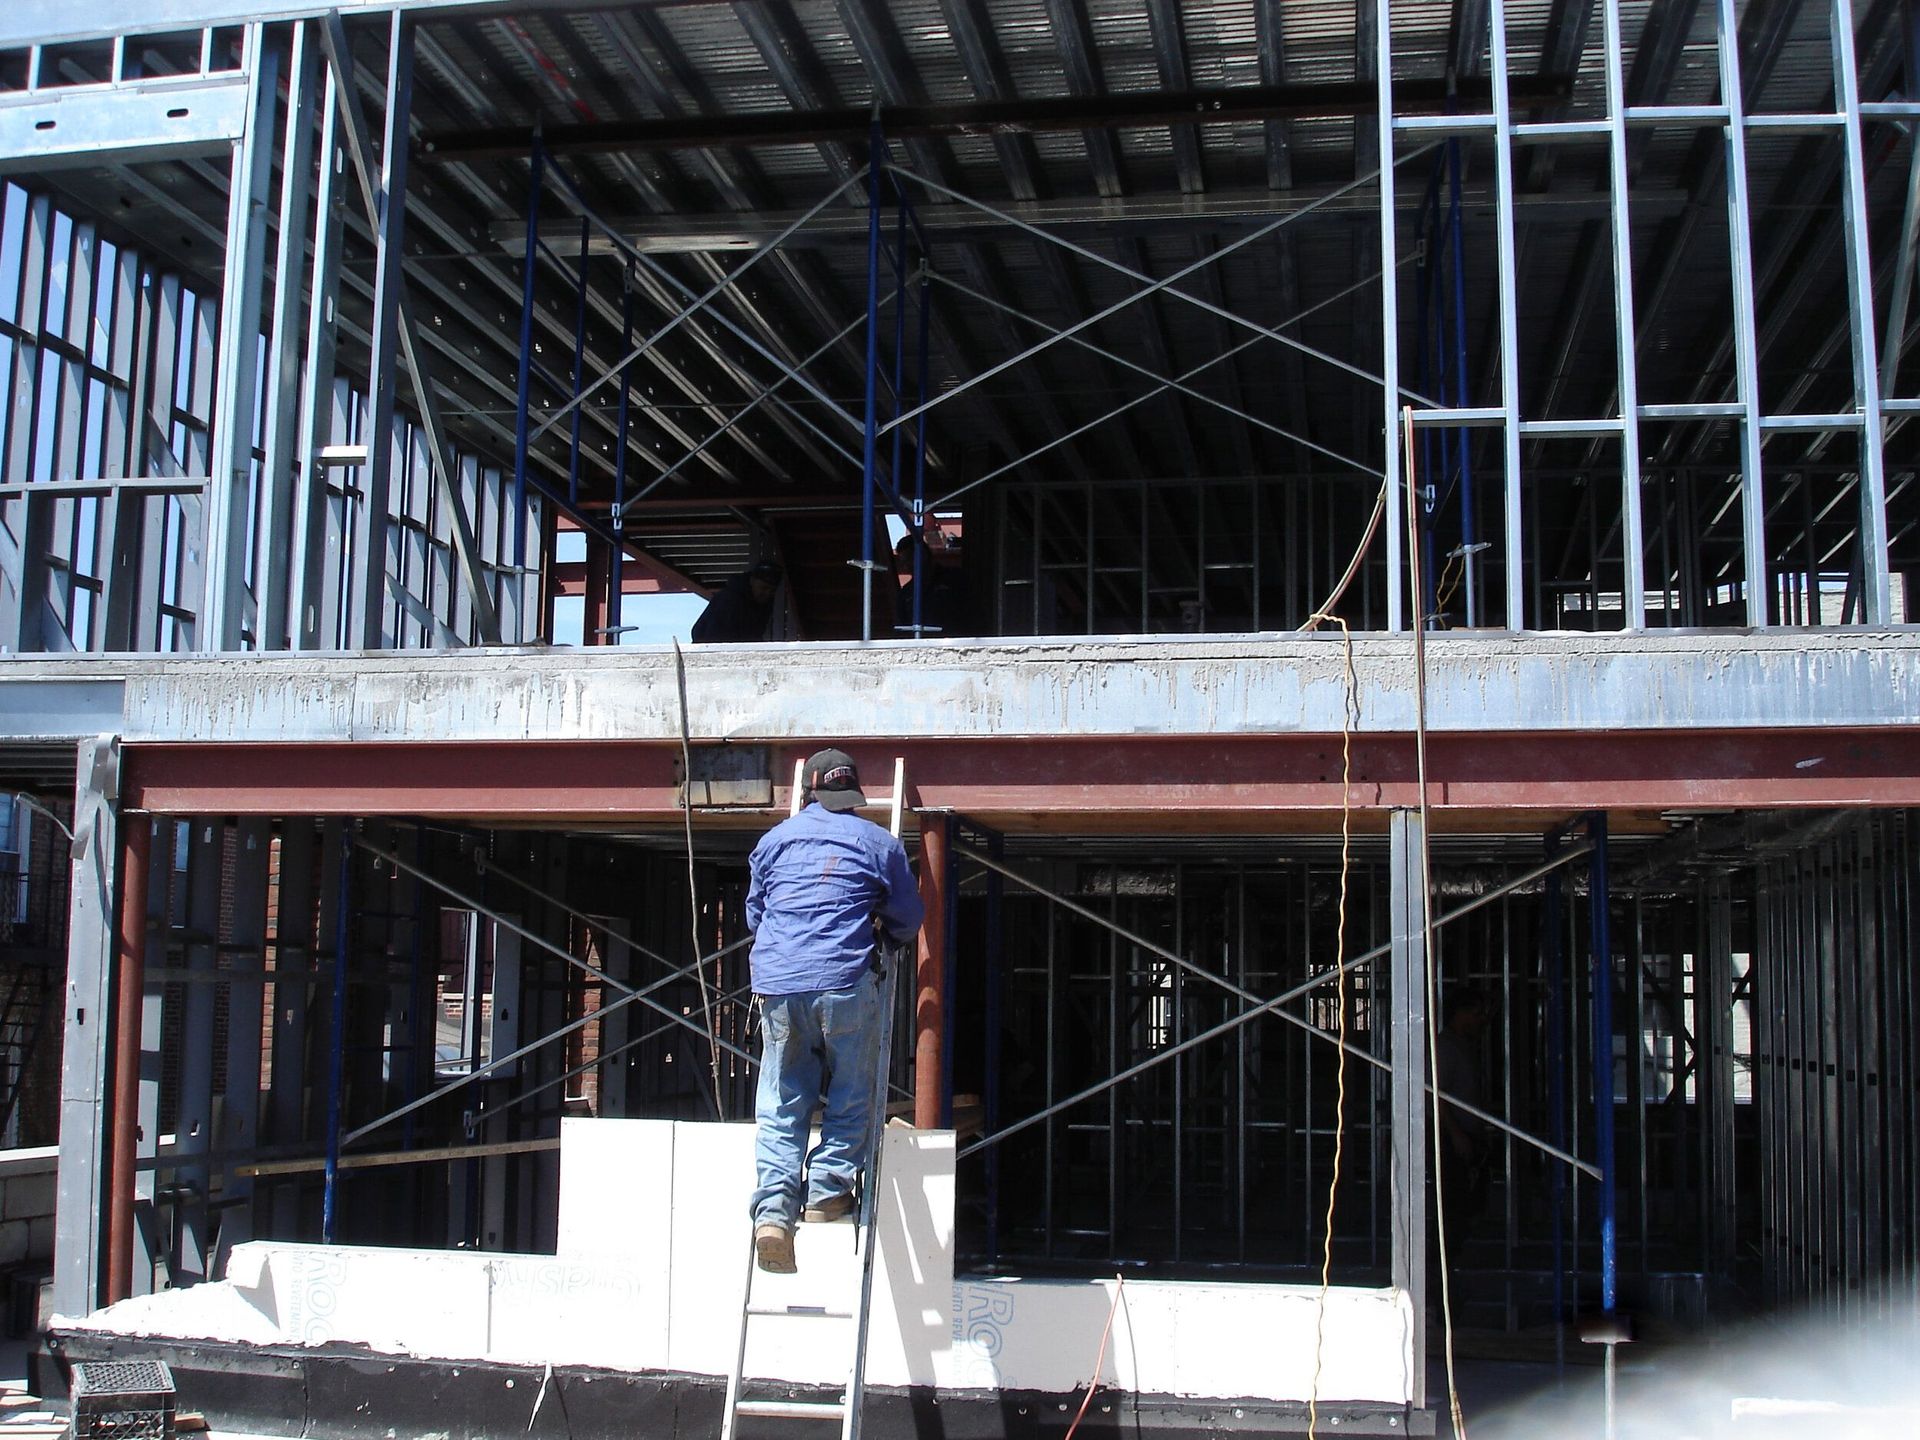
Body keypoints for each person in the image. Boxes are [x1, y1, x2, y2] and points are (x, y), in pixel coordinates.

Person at [744, 748, 924, 1273]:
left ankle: (774, 1210)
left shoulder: (772, 842)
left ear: (809, 791)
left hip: (778, 985)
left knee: (782, 1098)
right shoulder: (878, 843)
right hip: (846, 981)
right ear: (852, 796)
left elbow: (757, 916)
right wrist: (885, 934)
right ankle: (826, 1192)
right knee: (851, 1091)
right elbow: (909, 920)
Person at [690, 560, 781, 643]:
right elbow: (714, 637)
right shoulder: (729, 600)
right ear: (752, 581)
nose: (767, 593)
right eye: (763, 588)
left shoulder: (762, 605)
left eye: (772, 590)